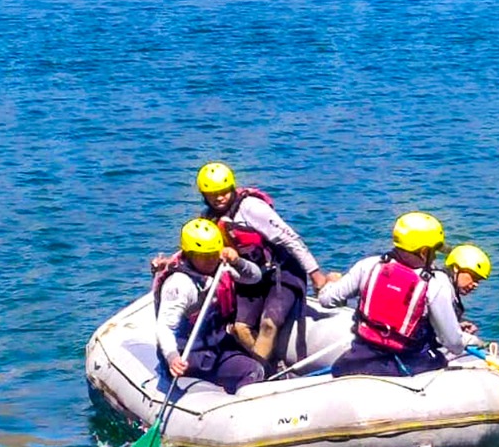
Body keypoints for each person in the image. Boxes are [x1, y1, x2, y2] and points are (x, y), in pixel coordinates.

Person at [194, 162, 334, 365]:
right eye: (212, 194)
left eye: (223, 192)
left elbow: (290, 239)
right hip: (250, 276)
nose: (219, 198)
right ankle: (265, 369)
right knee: (240, 327)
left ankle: (257, 374)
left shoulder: (252, 208)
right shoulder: (209, 219)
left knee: (269, 324)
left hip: (282, 271)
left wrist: (315, 274)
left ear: (231, 188)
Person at [317, 212, 471, 377]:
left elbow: (326, 300)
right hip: (409, 366)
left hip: (360, 359)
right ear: (424, 252)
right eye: (434, 252)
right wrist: (460, 336)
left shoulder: (369, 266)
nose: (434, 257)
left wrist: (331, 282)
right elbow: (454, 344)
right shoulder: (435, 284)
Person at [153, 217, 266, 394]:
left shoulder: (221, 268)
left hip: (215, 348)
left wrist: (238, 261)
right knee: (250, 369)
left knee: (255, 370)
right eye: (203, 256)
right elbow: (165, 327)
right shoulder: (180, 284)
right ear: (189, 254)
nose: (210, 260)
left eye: (213, 254)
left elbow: (255, 277)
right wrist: (172, 357)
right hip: (188, 354)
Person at [442, 243, 491, 337]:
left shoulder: (448, 289)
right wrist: (468, 340)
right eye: (473, 277)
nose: (475, 284)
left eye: (478, 280)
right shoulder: (441, 290)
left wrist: (457, 326)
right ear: (456, 268)